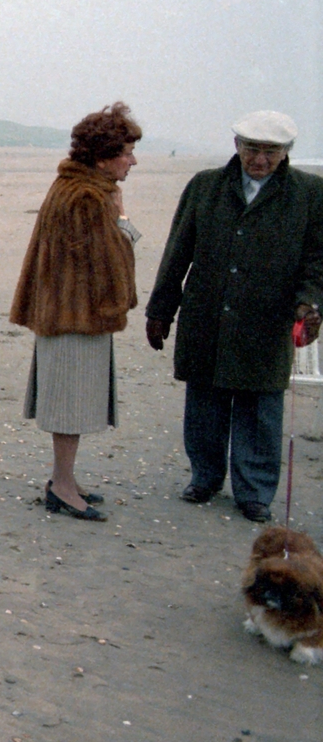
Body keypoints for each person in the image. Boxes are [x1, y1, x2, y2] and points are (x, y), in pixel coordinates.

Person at [144, 111, 323, 523]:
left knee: (260, 406)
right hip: (206, 313)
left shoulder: (310, 194)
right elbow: (177, 253)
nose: (259, 159)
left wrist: (310, 303)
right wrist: (160, 311)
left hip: (267, 320)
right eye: (252, 149)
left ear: (285, 153)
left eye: (270, 151)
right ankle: (204, 477)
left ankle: (255, 492)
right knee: (204, 400)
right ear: (237, 147)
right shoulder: (205, 186)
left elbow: (317, 261)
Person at [9, 102, 143, 522]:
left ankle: (63, 480)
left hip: (63, 311)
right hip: (75, 315)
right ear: (103, 155)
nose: (132, 160)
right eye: (126, 152)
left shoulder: (70, 186)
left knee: (72, 402)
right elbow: (111, 261)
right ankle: (63, 486)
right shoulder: (88, 196)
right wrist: (124, 217)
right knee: (70, 406)